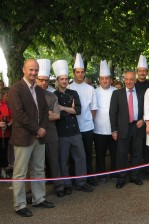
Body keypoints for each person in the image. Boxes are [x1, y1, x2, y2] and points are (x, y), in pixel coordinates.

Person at [9, 59, 54, 217]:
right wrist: (37, 129)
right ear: (23, 70)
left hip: (39, 137)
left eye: (36, 70)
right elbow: (18, 115)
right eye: (31, 70)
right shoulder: (16, 89)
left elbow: (45, 111)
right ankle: (20, 204)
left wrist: (41, 128)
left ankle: (39, 198)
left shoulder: (40, 90)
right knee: (20, 172)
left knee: (38, 169)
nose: (34, 73)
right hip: (24, 137)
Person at [53, 59, 93, 194]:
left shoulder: (73, 93)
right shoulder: (54, 96)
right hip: (62, 133)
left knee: (81, 158)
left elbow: (78, 110)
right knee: (64, 160)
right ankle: (67, 184)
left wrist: (63, 108)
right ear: (58, 80)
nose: (64, 81)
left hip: (76, 132)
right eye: (62, 79)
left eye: (66, 79)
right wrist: (69, 110)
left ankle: (81, 182)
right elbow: (57, 114)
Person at [109, 70, 145, 189]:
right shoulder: (117, 93)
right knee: (122, 154)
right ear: (124, 80)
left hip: (137, 126)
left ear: (135, 80)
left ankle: (134, 176)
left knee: (136, 153)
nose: (129, 81)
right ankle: (121, 177)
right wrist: (114, 130)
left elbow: (146, 109)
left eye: (131, 79)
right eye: (127, 79)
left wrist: (143, 119)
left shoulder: (141, 92)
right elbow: (112, 113)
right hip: (122, 128)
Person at [36, 59, 65, 197]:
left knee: (54, 159)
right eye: (41, 80)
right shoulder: (30, 95)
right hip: (34, 133)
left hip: (52, 133)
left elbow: (57, 116)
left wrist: (40, 115)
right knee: (36, 164)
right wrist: (47, 114)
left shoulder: (52, 96)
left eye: (46, 80)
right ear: (36, 79)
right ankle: (36, 189)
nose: (44, 83)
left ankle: (59, 186)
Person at [69, 53, 98, 186]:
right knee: (73, 154)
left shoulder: (90, 89)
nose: (80, 74)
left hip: (87, 126)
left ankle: (89, 176)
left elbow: (93, 108)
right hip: (73, 128)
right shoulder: (68, 88)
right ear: (74, 73)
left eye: (82, 72)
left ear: (84, 73)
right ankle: (74, 177)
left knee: (87, 153)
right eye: (78, 72)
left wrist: (89, 121)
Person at [93, 60, 117, 182]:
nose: (105, 81)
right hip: (98, 128)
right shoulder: (94, 91)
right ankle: (101, 175)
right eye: (102, 78)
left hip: (113, 129)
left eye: (107, 78)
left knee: (114, 153)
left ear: (110, 79)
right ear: (99, 79)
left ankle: (114, 173)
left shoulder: (116, 92)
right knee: (100, 153)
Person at [0, 87, 12, 178]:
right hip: (1, 132)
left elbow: (13, 117)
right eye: (6, 95)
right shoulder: (2, 105)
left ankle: (3, 169)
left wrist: (8, 124)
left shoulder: (9, 105)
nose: (8, 97)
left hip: (6, 132)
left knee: (4, 151)